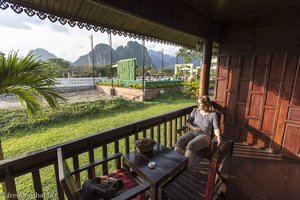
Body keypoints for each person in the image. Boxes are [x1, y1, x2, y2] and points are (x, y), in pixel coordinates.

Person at [174, 96, 221, 167]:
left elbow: (216, 128)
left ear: (206, 104)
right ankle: (176, 164)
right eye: (197, 103)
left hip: (205, 136)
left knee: (191, 144)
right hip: (193, 132)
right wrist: (193, 128)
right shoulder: (195, 111)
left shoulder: (213, 115)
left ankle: (184, 168)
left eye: (200, 103)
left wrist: (218, 136)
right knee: (180, 140)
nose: (198, 105)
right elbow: (188, 122)